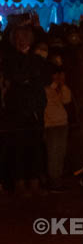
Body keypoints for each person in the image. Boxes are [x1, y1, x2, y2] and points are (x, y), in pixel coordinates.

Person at [3, 25, 50, 194]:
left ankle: (34, 181)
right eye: (17, 38)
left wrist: (29, 78)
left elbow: (44, 79)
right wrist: (27, 76)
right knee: (18, 148)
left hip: (34, 110)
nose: (21, 41)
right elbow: (18, 76)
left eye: (24, 37)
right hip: (16, 111)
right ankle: (20, 182)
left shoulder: (36, 58)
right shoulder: (10, 59)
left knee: (35, 147)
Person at [44, 64, 72, 190]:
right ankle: (53, 181)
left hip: (62, 124)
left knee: (61, 153)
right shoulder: (45, 89)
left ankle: (58, 180)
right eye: (57, 74)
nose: (59, 77)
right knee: (53, 154)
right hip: (51, 125)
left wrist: (62, 86)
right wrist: (54, 86)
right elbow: (48, 104)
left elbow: (67, 100)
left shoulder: (60, 88)